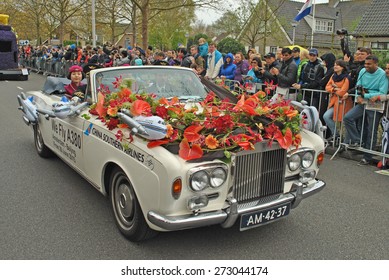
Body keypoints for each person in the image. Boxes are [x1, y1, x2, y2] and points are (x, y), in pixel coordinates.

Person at [343, 55, 388, 165]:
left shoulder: (382, 74)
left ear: (376, 64)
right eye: (365, 64)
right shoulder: (362, 71)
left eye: (369, 64)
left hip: (375, 105)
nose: (366, 66)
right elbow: (359, 85)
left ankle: (367, 157)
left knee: (371, 130)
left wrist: (366, 95)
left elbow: (382, 92)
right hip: (363, 102)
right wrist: (358, 95)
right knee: (348, 118)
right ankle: (357, 140)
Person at [323, 60, 352, 139]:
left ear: (342, 67)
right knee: (326, 116)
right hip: (334, 102)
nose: (335, 66)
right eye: (335, 65)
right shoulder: (333, 76)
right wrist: (335, 89)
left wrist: (334, 88)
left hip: (343, 102)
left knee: (343, 121)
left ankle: (346, 140)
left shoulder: (346, 77)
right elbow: (327, 87)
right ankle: (336, 134)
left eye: (337, 65)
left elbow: (342, 92)